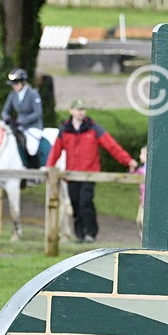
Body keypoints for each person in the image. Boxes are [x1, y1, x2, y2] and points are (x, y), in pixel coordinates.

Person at [46, 99, 138, 243]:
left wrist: (127, 160)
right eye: (78, 109)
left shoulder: (93, 128)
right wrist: (49, 168)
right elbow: (55, 151)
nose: (81, 112)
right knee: (75, 204)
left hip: (90, 174)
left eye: (83, 109)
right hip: (72, 175)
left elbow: (111, 146)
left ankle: (90, 233)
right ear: (71, 111)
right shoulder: (64, 130)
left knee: (86, 202)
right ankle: (79, 235)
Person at [1, 68, 45, 168]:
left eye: (17, 83)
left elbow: (38, 113)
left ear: (23, 82)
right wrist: (6, 118)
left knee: (31, 147)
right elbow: (5, 110)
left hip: (33, 127)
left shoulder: (33, 94)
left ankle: (34, 171)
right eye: (13, 83)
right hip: (19, 127)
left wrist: (22, 121)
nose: (14, 86)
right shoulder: (13, 95)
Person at [134, 145, 147, 239]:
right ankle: (143, 238)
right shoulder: (141, 170)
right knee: (139, 220)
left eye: (141, 154)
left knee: (143, 220)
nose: (140, 156)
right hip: (142, 199)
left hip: (148, 199)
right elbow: (133, 177)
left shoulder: (151, 170)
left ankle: (145, 239)